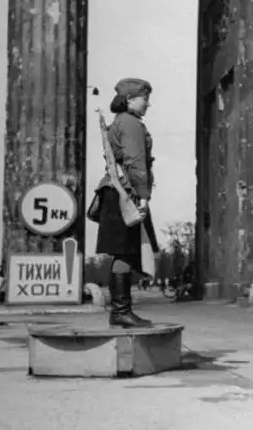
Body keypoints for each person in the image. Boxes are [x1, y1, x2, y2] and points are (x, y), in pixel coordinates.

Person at [95, 78, 160, 328]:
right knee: (127, 252)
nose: (148, 104)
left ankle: (120, 311)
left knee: (125, 252)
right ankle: (121, 311)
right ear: (130, 99)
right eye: (145, 98)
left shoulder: (119, 122)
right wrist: (143, 196)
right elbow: (135, 163)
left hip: (116, 190)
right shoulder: (131, 123)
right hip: (126, 193)